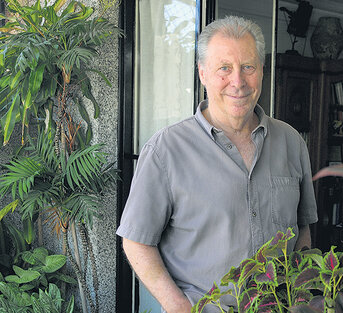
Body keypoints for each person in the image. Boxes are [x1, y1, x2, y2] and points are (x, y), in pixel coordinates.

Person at [116, 16, 318, 313]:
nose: (237, 81)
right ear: (202, 73)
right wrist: (177, 305)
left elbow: (302, 231)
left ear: (262, 72)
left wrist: (302, 298)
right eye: (224, 68)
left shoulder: (291, 142)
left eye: (248, 67)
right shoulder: (166, 150)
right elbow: (136, 242)